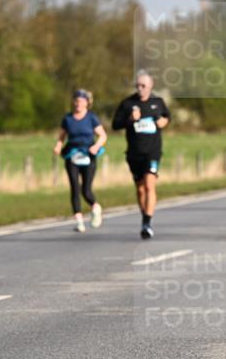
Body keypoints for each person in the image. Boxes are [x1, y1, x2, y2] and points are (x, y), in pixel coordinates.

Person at [112, 71, 171, 239]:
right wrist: (130, 119)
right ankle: (144, 216)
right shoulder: (127, 103)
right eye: (137, 86)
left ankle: (147, 222)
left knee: (149, 185)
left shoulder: (157, 102)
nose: (140, 89)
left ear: (150, 86)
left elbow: (167, 117)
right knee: (140, 189)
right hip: (134, 153)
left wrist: (164, 122)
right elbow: (115, 124)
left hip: (152, 151)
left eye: (143, 86)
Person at [53, 89, 107, 232]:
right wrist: (58, 146)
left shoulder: (91, 118)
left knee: (86, 189)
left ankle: (95, 207)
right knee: (74, 187)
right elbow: (62, 136)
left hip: (88, 154)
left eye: (81, 101)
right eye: (76, 101)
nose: (78, 103)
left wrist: (96, 146)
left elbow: (102, 136)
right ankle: (79, 221)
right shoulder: (68, 119)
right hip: (72, 155)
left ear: (87, 103)